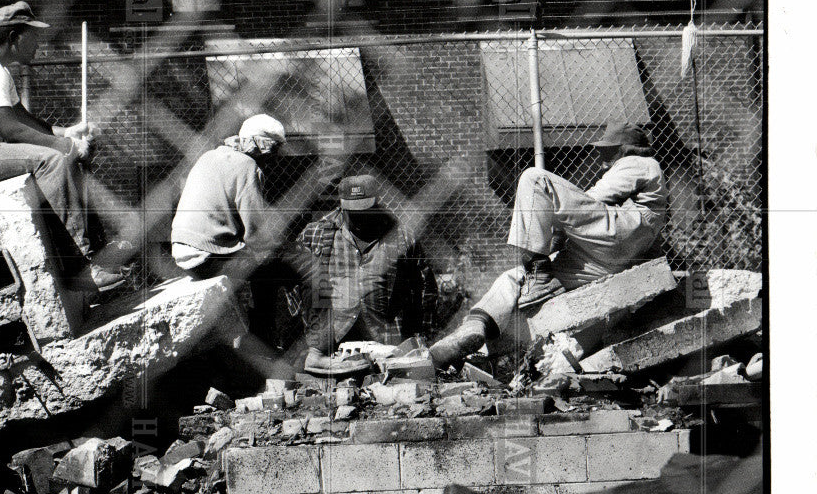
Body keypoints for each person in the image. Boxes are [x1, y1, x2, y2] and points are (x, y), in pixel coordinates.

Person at [429, 120, 668, 370]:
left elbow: (593, 200)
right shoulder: (640, 170)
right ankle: (473, 328)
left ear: (626, 149)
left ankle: (538, 273)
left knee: (534, 179)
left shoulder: (641, 163)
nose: (602, 160)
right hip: (604, 260)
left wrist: (548, 230)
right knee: (513, 277)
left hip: (624, 232)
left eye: (608, 151)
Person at [0, 1, 123, 291]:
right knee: (53, 160)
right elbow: (11, 129)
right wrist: (67, 145)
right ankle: (80, 266)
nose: (39, 43)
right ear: (14, 37)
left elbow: (24, 121)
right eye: (33, 36)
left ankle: (97, 252)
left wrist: (68, 132)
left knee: (59, 154)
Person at [291, 174, 438, 376]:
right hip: (332, 344)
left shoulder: (401, 235)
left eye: (366, 210)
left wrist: (421, 335)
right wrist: (308, 328)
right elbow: (293, 283)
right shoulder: (316, 234)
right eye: (353, 211)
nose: (360, 217)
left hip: (385, 338)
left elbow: (425, 287)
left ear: (378, 202)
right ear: (341, 205)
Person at [170, 114, 286, 280]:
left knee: (265, 261)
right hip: (208, 257)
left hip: (183, 253)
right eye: (273, 150)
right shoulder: (247, 165)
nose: (273, 159)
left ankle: (261, 305)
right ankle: (265, 307)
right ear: (261, 146)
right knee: (297, 261)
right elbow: (256, 234)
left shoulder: (209, 156)